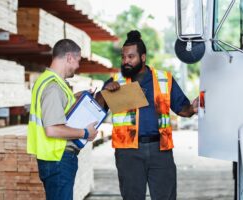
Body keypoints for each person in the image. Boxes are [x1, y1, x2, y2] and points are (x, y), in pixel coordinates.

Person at [97, 30, 198, 200]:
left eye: (131, 57)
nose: (125, 61)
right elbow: (96, 107)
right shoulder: (116, 80)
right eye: (123, 57)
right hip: (128, 152)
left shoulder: (164, 79)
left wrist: (193, 109)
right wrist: (104, 92)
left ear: (143, 58)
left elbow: (182, 109)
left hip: (161, 150)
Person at [27, 39, 98, 200]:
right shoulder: (54, 87)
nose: (78, 66)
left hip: (52, 158)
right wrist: (85, 132)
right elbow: (52, 129)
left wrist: (75, 97)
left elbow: (56, 109)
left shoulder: (47, 81)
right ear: (69, 57)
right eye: (78, 61)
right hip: (58, 158)